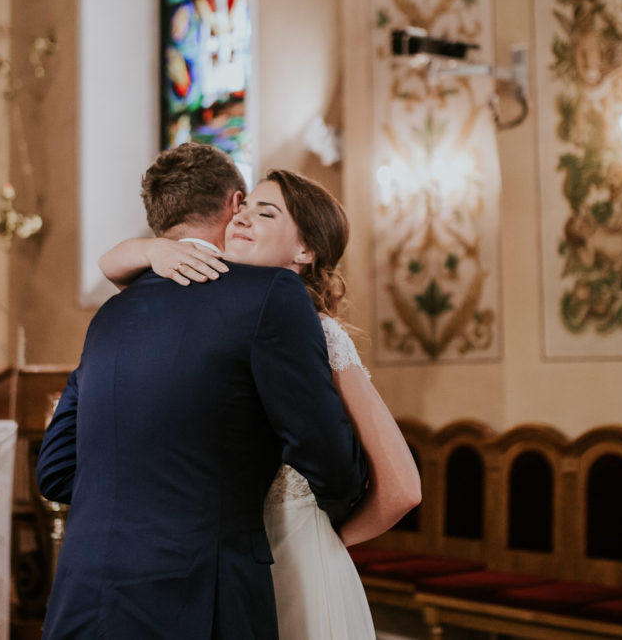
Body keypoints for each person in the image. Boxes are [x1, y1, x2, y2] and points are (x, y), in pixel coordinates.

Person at [36, 143, 368, 639]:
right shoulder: (272, 296)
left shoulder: (110, 316)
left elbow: (57, 471)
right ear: (234, 205)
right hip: (199, 601)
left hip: (86, 597)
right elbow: (332, 463)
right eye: (250, 206)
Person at [100, 168, 422, 639]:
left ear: (305, 250)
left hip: (295, 565)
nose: (241, 218)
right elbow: (112, 265)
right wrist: (154, 250)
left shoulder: (323, 334)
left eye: (264, 211)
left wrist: (324, 541)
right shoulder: (217, 318)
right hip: (224, 570)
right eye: (243, 207)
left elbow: (402, 489)